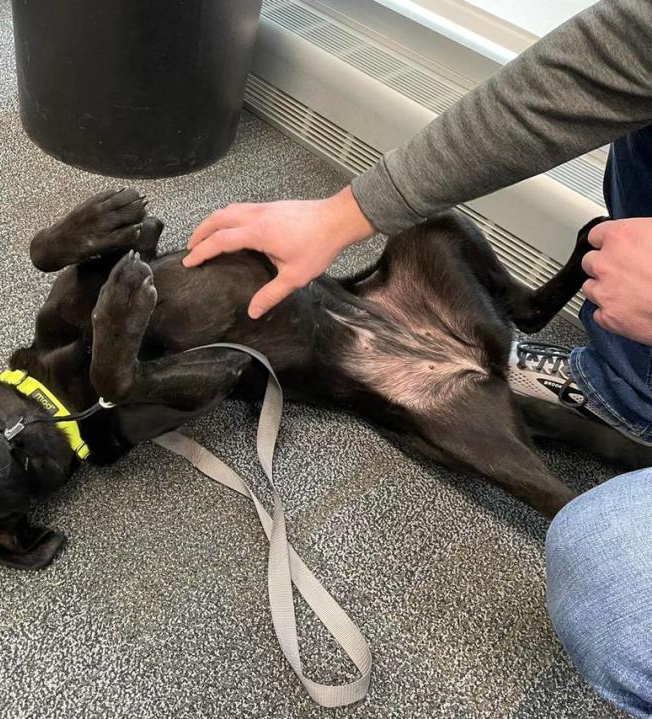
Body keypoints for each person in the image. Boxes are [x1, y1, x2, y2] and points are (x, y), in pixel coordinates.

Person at [183, 0, 652, 716]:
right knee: (439, 232)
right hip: (374, 319)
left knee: (606, 572)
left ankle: (600, 413)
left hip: (394, 369)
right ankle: (621, 386)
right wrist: (337, 215)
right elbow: (612, 54)